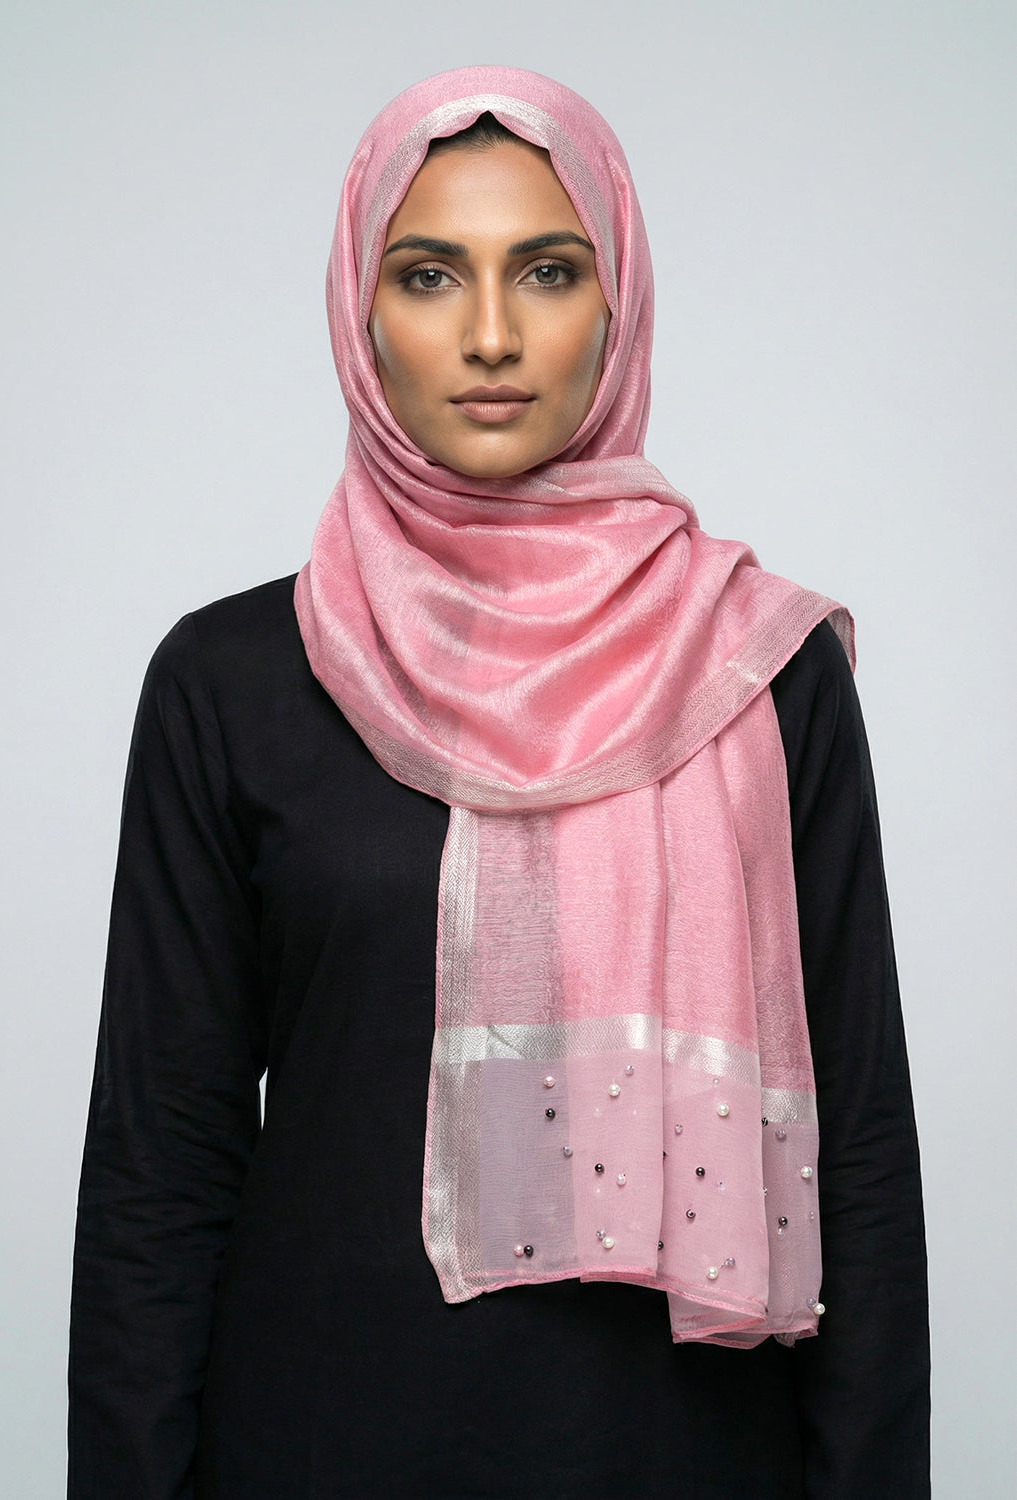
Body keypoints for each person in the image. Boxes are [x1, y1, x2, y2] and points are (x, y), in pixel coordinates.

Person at [69, 66, 929, 1498]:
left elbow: (864, 1158)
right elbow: (161, 1163)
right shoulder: (232, 681)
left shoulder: (759, 673)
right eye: (427, 275)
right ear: (360, 315)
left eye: (546, 270)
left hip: (688, 1458)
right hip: (318, 1448)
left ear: (618, 303)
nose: (488, 334)